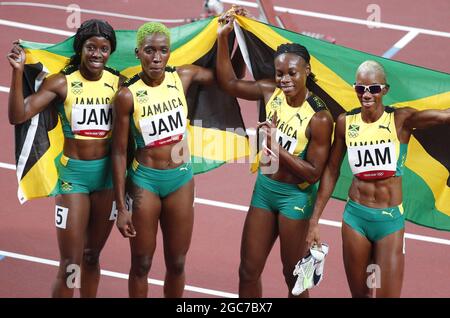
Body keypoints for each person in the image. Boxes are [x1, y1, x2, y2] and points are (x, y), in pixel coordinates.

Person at [112, 21, 245, 298]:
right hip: (144, 183)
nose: (157, 58)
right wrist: (120, 206)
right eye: (149, 51)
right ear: (138, 53)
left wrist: (230, 39)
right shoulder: (127, 95)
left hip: (180, 180)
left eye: (163, 50)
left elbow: (229, 80)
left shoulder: (182, 77)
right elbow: (119, 152)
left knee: (177, 262)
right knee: (142, 263)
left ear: (170, 52)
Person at [305, 60, 450, 298]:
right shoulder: (345, 123)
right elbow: (331, 170)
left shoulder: (401, 120)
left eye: (373, 88)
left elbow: (442, 117)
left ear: (384, 90)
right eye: (360, 88)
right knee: (360, 295)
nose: (366, 94)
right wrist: (314, 220)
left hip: (389, 221)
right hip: (355, 218)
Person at [216, 15, 334, 297]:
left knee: (293, 277)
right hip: (265, 190)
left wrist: (275, 149)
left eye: (292, 73)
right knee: (247, 271)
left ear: (306, 70)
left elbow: (313, 172)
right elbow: (229, 83)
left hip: (295, 198)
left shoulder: (319, 117)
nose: (285, 79)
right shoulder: (271, 91)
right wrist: (223, 38)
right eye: (280, 73)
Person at [7, 19, 124, 298]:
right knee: (71, 262)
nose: (97, 54)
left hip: (107, 180)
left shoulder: (118, 83)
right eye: (91, 47)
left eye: (104, 49)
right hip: (74, 179)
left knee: (92, 256)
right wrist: (17, 72)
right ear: (80, 48)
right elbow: (18, 115)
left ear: (111, 52)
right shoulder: (62, 82)